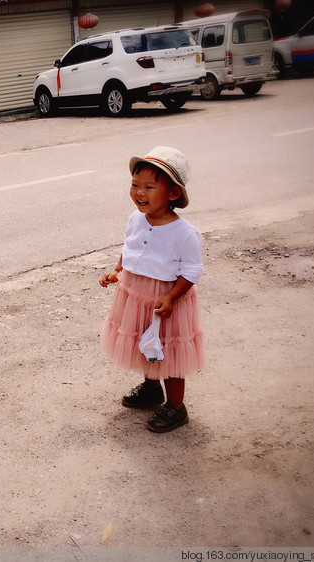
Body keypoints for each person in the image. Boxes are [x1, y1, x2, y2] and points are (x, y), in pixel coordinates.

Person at [99, 146, 205, 433]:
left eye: (148, 186)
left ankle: (176, 407)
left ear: (172, 194)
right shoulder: (135, 219)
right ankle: (151, 388)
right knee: (142, 344)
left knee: (168, 352)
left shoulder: (184, 233)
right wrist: (118, 271)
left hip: (166, 301)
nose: (139, 192)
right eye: (135, 185)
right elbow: (130, 247)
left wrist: (171, 297)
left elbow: (192, 271)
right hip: (134, 296)